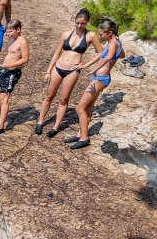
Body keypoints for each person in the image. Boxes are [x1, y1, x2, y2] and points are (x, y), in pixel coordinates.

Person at [35, 8, 102, 137]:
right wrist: (48, 71)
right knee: (49, 95)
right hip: (58, 67)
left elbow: (100, 52)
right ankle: (40, 121)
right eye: (77, 22)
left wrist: (86, 64)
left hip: (72, 70)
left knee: (64, 99)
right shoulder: (66, 34)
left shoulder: (90, 35)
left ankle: (56, 126)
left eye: (82, 23)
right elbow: (57, 53)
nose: (79, 25)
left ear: (87, 22)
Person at [64, 18, 125, 150]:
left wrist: (95, 69)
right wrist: (86, 65)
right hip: (99, 77)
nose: (100, 36)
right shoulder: (115, 42)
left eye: (101, 34)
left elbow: (108, 57)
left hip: (101, 78)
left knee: (79, 108)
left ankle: (84, 137)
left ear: (109, 33)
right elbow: (120, 55)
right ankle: (81, 133)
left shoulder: (113, 43)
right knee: (89, 105)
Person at [0, 20, 29, 136]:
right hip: (5, 71)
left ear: (18, 29)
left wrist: (9, 66)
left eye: (10, 31)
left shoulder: (22, 41)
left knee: (4, 98)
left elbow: (25, 59)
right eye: (7, 32)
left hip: (12, 72)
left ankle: (0, 126)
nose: (7, 34)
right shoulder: (14, 39)